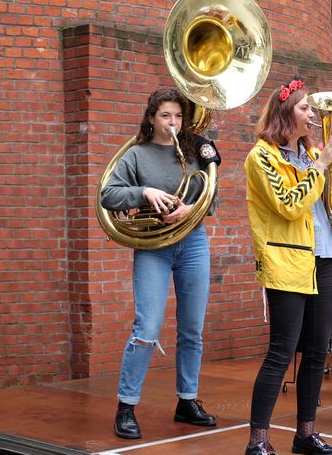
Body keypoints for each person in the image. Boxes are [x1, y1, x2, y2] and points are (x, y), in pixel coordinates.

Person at [242, 81, 332, 455]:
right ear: (285, 113)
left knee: (316, 351)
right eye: (305, 109)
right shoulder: (261, 158)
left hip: (325, 257)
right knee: (282, 351)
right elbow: (289, 205)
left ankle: (305, 434)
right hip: (288, 260)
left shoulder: (312, 154)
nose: (313, 116)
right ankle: (257, 441)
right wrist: (322, 166)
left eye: (312, 110)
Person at [100, 88, 221, 440]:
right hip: (153, 246)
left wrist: (191, 209)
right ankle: (126, 406)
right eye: (166, 115)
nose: (173, 122)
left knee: (192, 330)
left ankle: (187, 400)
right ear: (152, 117)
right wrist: (144, 193)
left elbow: (210, 197)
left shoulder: (194, 152)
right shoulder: (135, 155)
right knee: (147, 328)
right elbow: (109, 193)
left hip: (193, 243)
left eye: (178, 117)